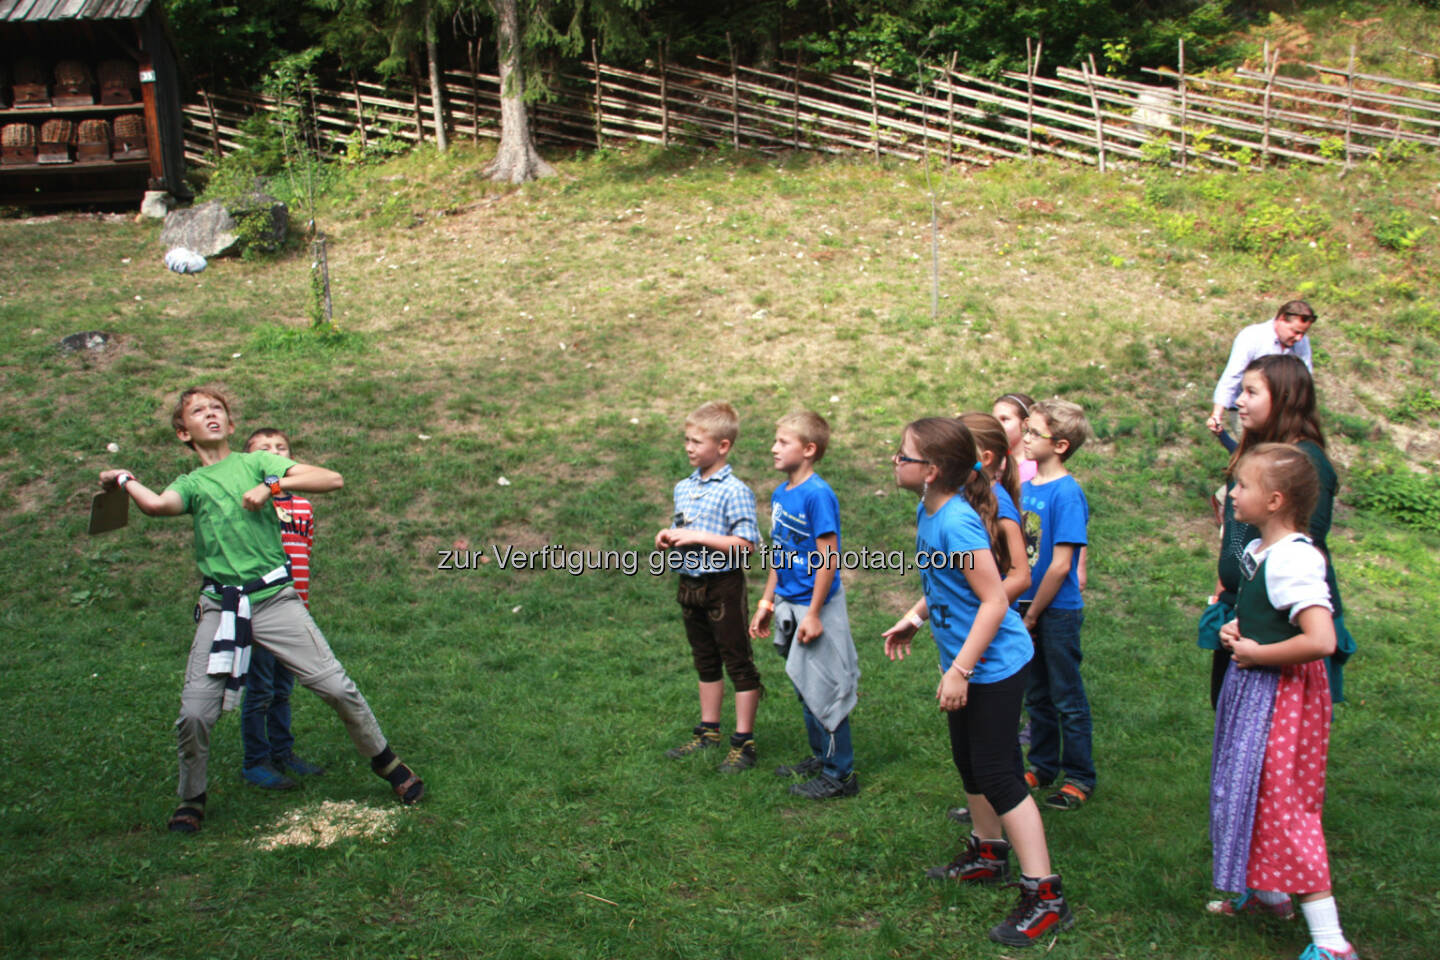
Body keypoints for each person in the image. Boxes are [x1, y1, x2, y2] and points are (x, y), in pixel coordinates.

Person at [98, 388, 424, 834]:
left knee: (336, 686)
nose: (210, 414)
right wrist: (123, 480)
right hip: (221, 606)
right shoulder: (190, 483)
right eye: (198, 411)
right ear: (182, 433)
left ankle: (387, 763)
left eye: (217, 409)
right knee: (195, 713)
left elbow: (332, 479)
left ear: (231, 426)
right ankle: (192, 798)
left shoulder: (257, 463)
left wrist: (273, 485)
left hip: (274, 599)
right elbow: (157, 506)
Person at [882, 417, 1073, 947]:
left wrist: (960, 671)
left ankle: (1046, 895)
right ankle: (988, 854)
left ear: (932, 470)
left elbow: (994, 598)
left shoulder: (957, 523)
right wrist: (915, 619)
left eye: (904, 457)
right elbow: (947, 582)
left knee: (1001, 773)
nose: (896, 462)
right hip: (969, 660)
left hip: (993, 664)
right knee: (969, 762)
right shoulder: (931, 509)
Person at [1208, 443, 1356, 960]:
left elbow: (1320, 639)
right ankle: (1269, 895)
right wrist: (1239, 627)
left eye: (1242, 486)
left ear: (1273, 501)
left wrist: (1260, 651)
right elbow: (1270, 611)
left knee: (1284, 804)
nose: (1232, 494)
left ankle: (1332, 942)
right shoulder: (1264, 551)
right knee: (1247, 787)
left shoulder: (1294, 557)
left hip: (1283, 700)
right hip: (1258, 689)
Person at [1199, 355, 1355, 709]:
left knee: (1269, 735)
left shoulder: (1304, 464)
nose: (1238, 402)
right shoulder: (1258, 454)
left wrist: (1261, 624)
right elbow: (1238, 538)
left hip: (1276, 625)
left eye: (1251, 392)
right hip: (1241, 614)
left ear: (1284, 398)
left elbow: (1300, 550)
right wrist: (1223, 594)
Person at [748, 411, 860, 800]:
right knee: (804, 686)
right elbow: (782, 553)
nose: (773, 448)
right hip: (790, 601)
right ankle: (820, 757)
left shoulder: (817, 494)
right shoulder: (782, 493)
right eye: (775, 440)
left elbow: (828, 558)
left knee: (826, 688)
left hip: (817, 606)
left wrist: (813, 613)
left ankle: (840, 775)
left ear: (809, 450)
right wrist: (767, 600)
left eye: (783, 441)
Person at [656, 401, 763, 772]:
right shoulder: (683, 488)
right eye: (686, 440)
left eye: (697, 441)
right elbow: (682, 528)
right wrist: (668, 538)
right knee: (704, 659)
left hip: (723, 586)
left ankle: (744, 742)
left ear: (723, 446)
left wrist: (700, 536)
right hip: (690, 585)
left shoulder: (735, 491)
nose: (688, 447)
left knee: (737, 660)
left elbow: (747, 545)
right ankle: (708, 732)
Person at [938, 412, 1031, 825]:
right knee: (980, 755)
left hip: (994, 646)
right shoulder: (957, 506)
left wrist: (986, 605)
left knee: (997, 760)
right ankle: (990, 827)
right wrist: (918, 616)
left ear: (983, 456)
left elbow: (1020, 575)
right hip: (971, 640)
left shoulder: (999, 502)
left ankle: (1008, 819)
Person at [237, 428, 325, 791]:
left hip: (295, 607)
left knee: (282, 689)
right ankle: (255, 761)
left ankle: (283, 752)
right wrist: (272, 481)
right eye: (264, 451)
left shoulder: (303, 506)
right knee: (259, 690)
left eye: (281, 449)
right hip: (261, 610)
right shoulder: (253, 505)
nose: (275, 454)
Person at [1017, 400, 1094, 811]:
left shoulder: (1067, 492)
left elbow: (1061, 565)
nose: (1025, 438)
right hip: (1025, 606)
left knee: (1067, 695)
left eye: (1033, 433)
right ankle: (1043, 766)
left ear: (1060, 444)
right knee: (1037, 694)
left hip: (1056, 610)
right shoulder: (1025, 489)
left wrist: (1031, 614)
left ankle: (1079, 776)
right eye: (1025, 429)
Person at [1208, 300, 1317, 437]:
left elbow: (1305, 378)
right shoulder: (1252, 337)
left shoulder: (1302, 342)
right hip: (1248, 411)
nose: (1299, 338)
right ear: (1282, 319)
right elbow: (1233, 375)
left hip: (1281, 415)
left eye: (1303, 333)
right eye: (1295, 332)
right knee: (1254, 454)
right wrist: (1217, 414)